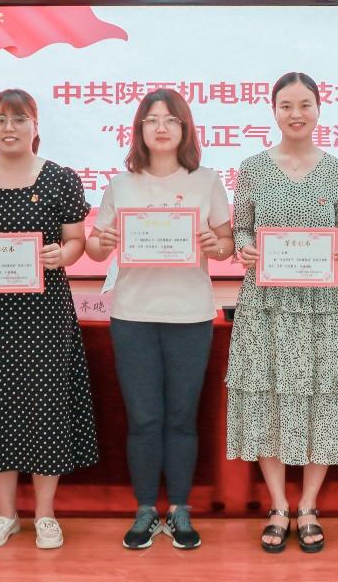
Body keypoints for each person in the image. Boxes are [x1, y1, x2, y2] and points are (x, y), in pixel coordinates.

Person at [0, 88, 97, 551]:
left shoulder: (60, 179)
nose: (9, 128)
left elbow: (76, 241)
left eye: (18, 119)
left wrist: (61, 255)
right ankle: (5, 513)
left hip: (44, 312)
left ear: (35, 126)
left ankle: (45, 514)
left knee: (44, 405)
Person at [85, 88, 234, 550]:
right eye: (152, 120)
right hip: (133, 315)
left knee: (182, 417)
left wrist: (215, 245)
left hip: (190, 314)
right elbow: (95, 247)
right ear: (140, 130)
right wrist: (102, 242)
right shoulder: (121, 184)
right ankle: (146, 509)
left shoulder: (206, 181)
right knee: (144, 418)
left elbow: (227, 243)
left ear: (185, 128)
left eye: (171, 119)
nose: (162, 127)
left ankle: (181, 510)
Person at [226, 71, 338, 554]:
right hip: (266, 305)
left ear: (319, 109)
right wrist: (245, 249)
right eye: (286, 105)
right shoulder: (253, 168)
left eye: (305, 104)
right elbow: (241, 230)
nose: (296, 114)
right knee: (266, 397)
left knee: (322, 398)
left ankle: (308, 505)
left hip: (322, 307)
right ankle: (279, 505)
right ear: (274, 111)